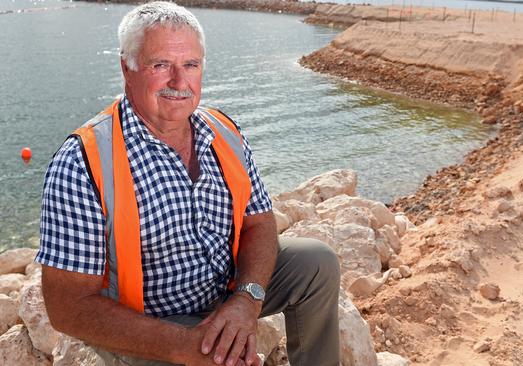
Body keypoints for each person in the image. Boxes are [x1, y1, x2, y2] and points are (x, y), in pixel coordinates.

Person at [36, 2, 340, 365]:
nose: (179, 83)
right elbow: (68, 308)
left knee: (316, 264)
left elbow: (258, 221)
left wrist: (246, 299)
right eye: (161, 65)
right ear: (127, 68)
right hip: (152, 323)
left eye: (190, 65)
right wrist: (187, 346)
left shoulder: (224, 132)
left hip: (227, 291)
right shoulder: (82, 161)